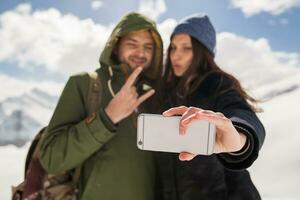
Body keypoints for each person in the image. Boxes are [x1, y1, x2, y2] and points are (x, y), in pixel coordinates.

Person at [39, 12, 163, 200]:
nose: (141, 53)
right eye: (132, 44)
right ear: (115, 46)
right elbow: (51, 158)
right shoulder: (84, 84)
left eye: (148, 47)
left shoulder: (154, 95)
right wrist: (107, 118)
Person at [156, 13, 265, 200]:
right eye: (173, 47)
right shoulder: (168, 93)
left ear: (201, 52)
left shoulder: (218, 84)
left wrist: (239, 139)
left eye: (186, 48)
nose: (176, 55)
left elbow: (242, 113)